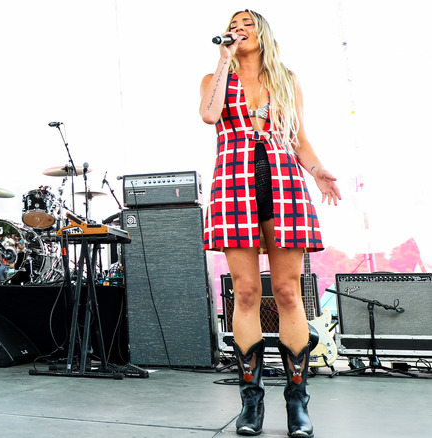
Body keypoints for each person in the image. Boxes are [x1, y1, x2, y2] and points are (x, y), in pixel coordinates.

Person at [199, 10, 341, 438]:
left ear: (262, 32)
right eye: (233, 23)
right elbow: (209, 115)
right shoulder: (214, 77)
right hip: (233, 182)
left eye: (246, 23)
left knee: (287, 291)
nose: (239, 29)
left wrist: (318, 171)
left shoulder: (286, 79)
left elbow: (297, 136)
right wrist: (225, 59)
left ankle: (297, 403)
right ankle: (251, 404)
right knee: (245, 291)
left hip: (282, 180)